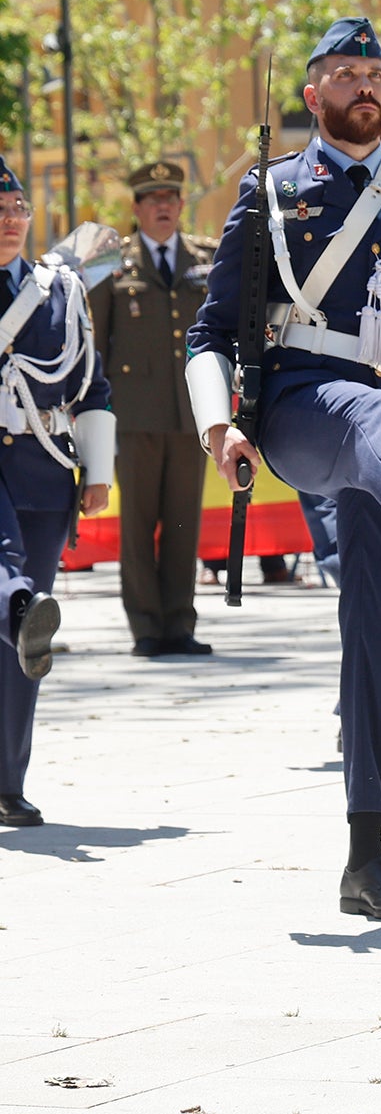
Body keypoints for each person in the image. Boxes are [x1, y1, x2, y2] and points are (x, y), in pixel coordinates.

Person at [188, 16, 381, 918]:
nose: (364, 84)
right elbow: (210, 332)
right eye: (345, 73)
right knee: (368, 415)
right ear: (312, 95)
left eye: (374, 71)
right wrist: (221, 427)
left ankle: (366, 855)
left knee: (378, 631)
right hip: (300, 408)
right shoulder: (272, 191)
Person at [0, 154, 113, 827]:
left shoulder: (59, 289)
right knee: (13, 589)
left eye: (17, 213)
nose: (10, 224)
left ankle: (8, 779)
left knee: (22, 636)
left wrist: (97, 471)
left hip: (44, 467)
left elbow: (91, 385)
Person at [90, 160, 216, 656]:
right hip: (135, 414)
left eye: (171, 197)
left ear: (182, 205)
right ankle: (145, 626)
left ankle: (179, 624)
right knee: (138, 523)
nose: (163, 205)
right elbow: (99, 342)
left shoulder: (206, 258)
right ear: (137, 208)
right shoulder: (111, 264)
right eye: (152, 199)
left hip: (192, 413)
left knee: (184, 520)